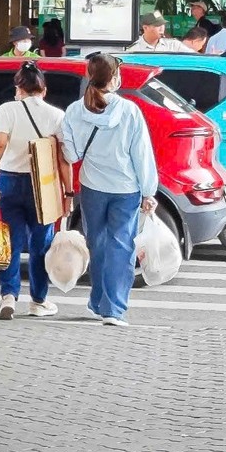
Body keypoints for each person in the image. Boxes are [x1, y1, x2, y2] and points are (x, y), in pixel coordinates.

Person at [61, 52, 159, 327]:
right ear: (114, 79)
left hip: (92, 187)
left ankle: (97, 302)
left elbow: (70, 154)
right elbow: (141, 154)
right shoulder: (129, 111)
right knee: (121, 246)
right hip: (126, 188)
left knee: (98, 244)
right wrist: (149, 191)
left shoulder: (74, 110)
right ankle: (113, 310)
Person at [0, 62, 68, 320]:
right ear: (43, 89)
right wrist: (67, 192)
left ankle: (8, 297)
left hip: (9, 181)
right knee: (40, 243)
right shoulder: (55, 115)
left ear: (19, 87)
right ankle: (38, 301)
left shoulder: (7, 109)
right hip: (43, 184)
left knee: (10, 242)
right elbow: (61, 156)